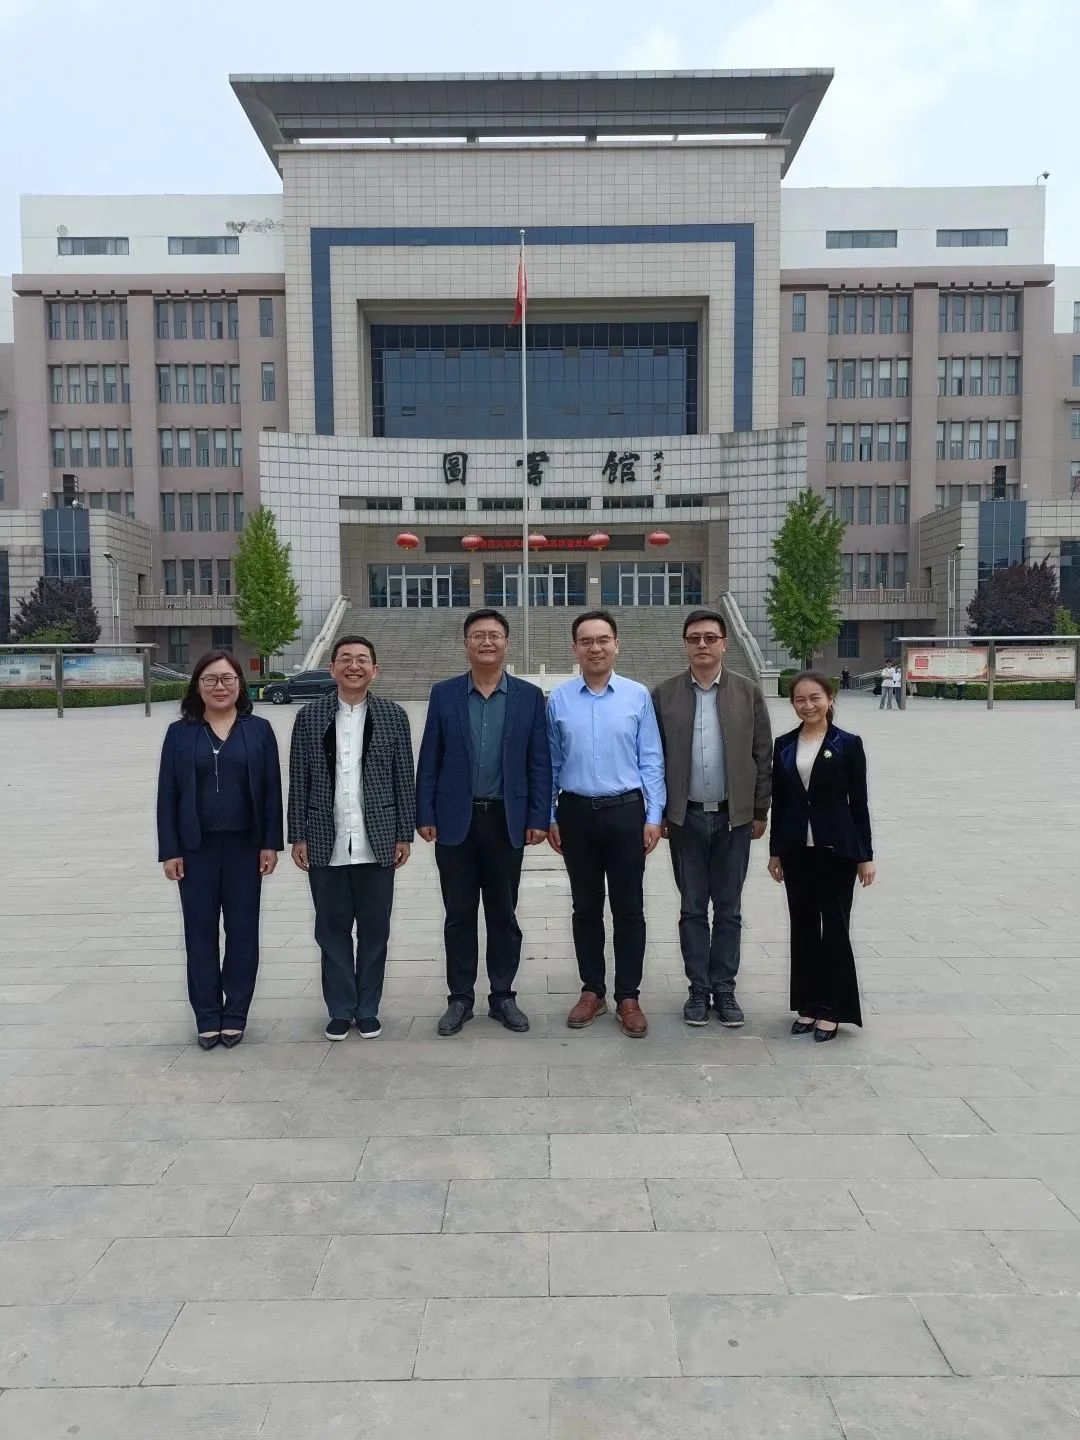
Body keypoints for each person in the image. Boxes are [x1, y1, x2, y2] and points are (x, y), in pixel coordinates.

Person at [416, 608, 552, 1037]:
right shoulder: (444, 694)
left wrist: (538, 816)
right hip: (455, 822)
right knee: (458, 913)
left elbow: (539, 762)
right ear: (466, 644)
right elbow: (430, 758)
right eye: (478, 635)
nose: (487, 641)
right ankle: (459, 999)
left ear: (506, 643)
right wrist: (425, 813)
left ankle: (502, 996)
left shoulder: (529, 697)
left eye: (494, 635)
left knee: (503, 913)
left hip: (506, 821)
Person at [287, 635, 415, 1040]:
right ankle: (341, 1008)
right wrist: (297, 835)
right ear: (332, 668)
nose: (353, 666)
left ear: (375, 669)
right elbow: (299, 778)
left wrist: (404, 834)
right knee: (331, 930)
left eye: (362, 660)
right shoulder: (310, 716)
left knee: (375, 930)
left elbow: (403, 778)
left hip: (377, 838)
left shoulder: (393, 716)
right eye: (345, 659)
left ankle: (368, 1007)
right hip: (324, 837)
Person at [547, 610, 666, 1038]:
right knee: (585, 906)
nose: (595, 648)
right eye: (586, 641)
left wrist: (654, 815)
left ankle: (628, 995)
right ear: (574, 648)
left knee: (629, 907)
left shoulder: (637, 696)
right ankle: (592, 990)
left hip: (625, 812)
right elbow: (552, 761)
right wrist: (550, 814)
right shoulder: (559, 699)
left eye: (602, 640)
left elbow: (651, 758)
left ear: (616, 644)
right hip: (575, 813)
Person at [652, 609, 772, 1028]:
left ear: (724, 643)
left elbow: (763, 755)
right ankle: (698, 988)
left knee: (729, 908)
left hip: (733, 819)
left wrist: (759, 810)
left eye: (709, 637)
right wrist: (659, 812)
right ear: (685, 645)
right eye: (693, 638)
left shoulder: (747, 692)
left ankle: (724, 987)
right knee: (691, 908)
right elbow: (652, 759)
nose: (701, 644)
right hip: (684, 819)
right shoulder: (664, 695)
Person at [157, 651, 283, 1050]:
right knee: (200, 933)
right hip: (195, 850)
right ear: (197, 686)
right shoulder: (179, 733)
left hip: (246, 848)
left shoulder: (258, 730)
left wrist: (270, 843)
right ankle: (208, 1015)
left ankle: (236, 1014)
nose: (220, 686)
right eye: (210, 679)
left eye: (228, 679)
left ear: (240, 684)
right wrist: (170, 849)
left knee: (243, 932)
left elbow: (271, 791)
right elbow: (167, 794)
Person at [767, 670, 876, 1042]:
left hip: (837, 851)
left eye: (815, 697)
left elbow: (859, 803)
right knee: (803, 928)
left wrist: (865, 855)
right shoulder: (784, 744)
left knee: (835, 929)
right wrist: (776, 851)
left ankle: (833, 1009)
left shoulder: (848, 744)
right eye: (800, 699)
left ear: (830, 699)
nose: (808, 705)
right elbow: (780, 802)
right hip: (797, 851)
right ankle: (808, 1005)